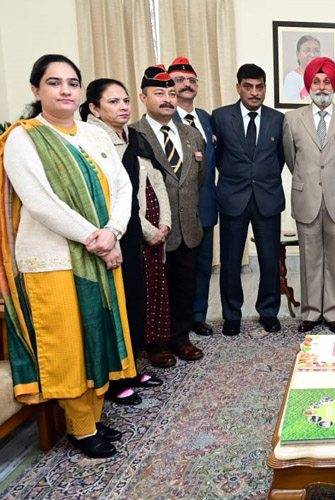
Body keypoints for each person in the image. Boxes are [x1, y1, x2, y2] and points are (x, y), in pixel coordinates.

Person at [0, 54, 134, 458]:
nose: (65, 90)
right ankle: (80, 427)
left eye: (72, 83)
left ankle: (92, 416)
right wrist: (96, 237)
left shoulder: (94, 136)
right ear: (36, 89)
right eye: (54, 82)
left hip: (100, 254)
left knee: (98, 336)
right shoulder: (24, 138)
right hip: (52, 260)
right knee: (68, 346)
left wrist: (113, 231)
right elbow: (40, 202)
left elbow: (123, 187)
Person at [80, 78, 167, 396]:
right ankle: (114, 380)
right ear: (94, 108)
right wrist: (113, 236)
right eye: (113, 102)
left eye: (126, 101)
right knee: (111, 307)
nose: (123, 107)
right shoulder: (90, 139)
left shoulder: (130, 136)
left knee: (131, 301)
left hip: (128, 231)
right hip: (107, 234)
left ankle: (129, 371)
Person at [130, 65, 206, 365]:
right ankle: (156, 343)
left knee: (184, 285)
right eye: (159, 93)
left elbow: (197, 179)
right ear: (143, 97)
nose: (167, 99)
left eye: (172, 94)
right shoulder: (134, 134)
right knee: (153, 288)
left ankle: (180, 338)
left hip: (187, 226)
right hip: (151, 229)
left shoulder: (192, 135)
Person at [282, 57, 335, 334]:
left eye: (327, 81)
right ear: (308, 85)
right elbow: (292, 159)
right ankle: (311, 312)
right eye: (316, 81)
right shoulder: (292, 119)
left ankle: (334, 312)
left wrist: (334, 181)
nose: (322, 87)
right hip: (307, 198)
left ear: (334, 85)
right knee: (309, 259)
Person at [213, 63, 285, 336]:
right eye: (248, 86)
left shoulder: (278, 119)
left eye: (260, 87)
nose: (254, 92)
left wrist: (261, 178)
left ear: (265, 88)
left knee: (269, 260)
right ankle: (232, 315)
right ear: (238, 87)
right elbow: (218, 157)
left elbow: (280, 158)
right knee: (231, 262)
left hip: (267, 197)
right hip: (233, 198)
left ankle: (268, 312)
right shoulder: (220, 117)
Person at [168, 56, 217, 337]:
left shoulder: (207, 119)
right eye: (179, 80)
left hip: (206, 205)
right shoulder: (165, 119)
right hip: (176, 208)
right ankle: (177, 321)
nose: (187, 85)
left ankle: (198, 316)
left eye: (191, 80)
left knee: (202, 266)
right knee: (177, 268)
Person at [284, 35, 321, 100]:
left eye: (316, 51)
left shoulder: (325, 76)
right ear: (298, 54)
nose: (312, 55)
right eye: (307, 51)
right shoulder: (292, 78)